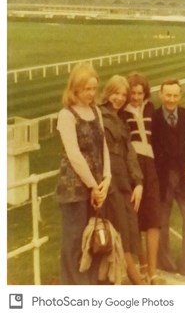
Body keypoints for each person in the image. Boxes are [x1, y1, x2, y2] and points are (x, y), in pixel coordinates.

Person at [56, 62, 111, 285]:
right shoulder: (66, 115)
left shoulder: (95, 111)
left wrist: (107, 179)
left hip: (96, 186)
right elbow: (74, 154)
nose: (91, 93)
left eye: (94, 89)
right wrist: (93, 186)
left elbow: (103, 146)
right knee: (75, 240)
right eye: (86, 89)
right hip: (75, 188)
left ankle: (91, 285)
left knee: (95, 238)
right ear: (75, 89)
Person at [151, 79, 185, 279]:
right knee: (161, 224)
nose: (171, 99)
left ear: (180, 96)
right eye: (168, 95)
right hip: (163, 180)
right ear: (161, 95)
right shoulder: (153, 118)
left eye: (175, 95)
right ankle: (166, 266)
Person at [100, 75, 146, 285]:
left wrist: (138, 183)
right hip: (109, 180)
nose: (119, 98)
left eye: (123, 94)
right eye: (115, 93)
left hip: (124, 180)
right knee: (119, 229)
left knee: (128, 227)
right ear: (108, 92)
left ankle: (133, 278)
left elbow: (130, 154)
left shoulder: (120, 120)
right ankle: (138, 282)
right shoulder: (99, 115)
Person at [124, 72, 164, 285]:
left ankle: (153, 272)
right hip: (133, 167)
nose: (136, 97)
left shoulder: (150, 109)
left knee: (154, 220)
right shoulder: (122, 113)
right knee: (136, 220)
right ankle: (141, 268)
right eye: (133, 93)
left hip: (151, 167)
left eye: (140, 93)